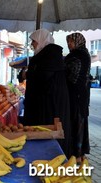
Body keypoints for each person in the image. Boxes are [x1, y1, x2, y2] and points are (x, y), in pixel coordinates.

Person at [23, 29, 71, 157]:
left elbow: (43, 76)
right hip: (46, 100)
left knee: (49, 130)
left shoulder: (51, 54)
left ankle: (52, 157)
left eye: (34, 41)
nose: (32, 44)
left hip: (51, 102)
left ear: (41, 40)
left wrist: (28, 73)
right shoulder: (46, 53)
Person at [64, 32, 91, 162]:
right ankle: (80, 154)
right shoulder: (84, 54)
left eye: (71, 42)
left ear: (78, 41)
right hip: (82, 95)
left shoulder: (78, 55)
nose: (69, 44)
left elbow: (73, 76)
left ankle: (77, 155)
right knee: (80, 123)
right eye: (68, 42)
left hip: (77, 95)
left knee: (77, 123)